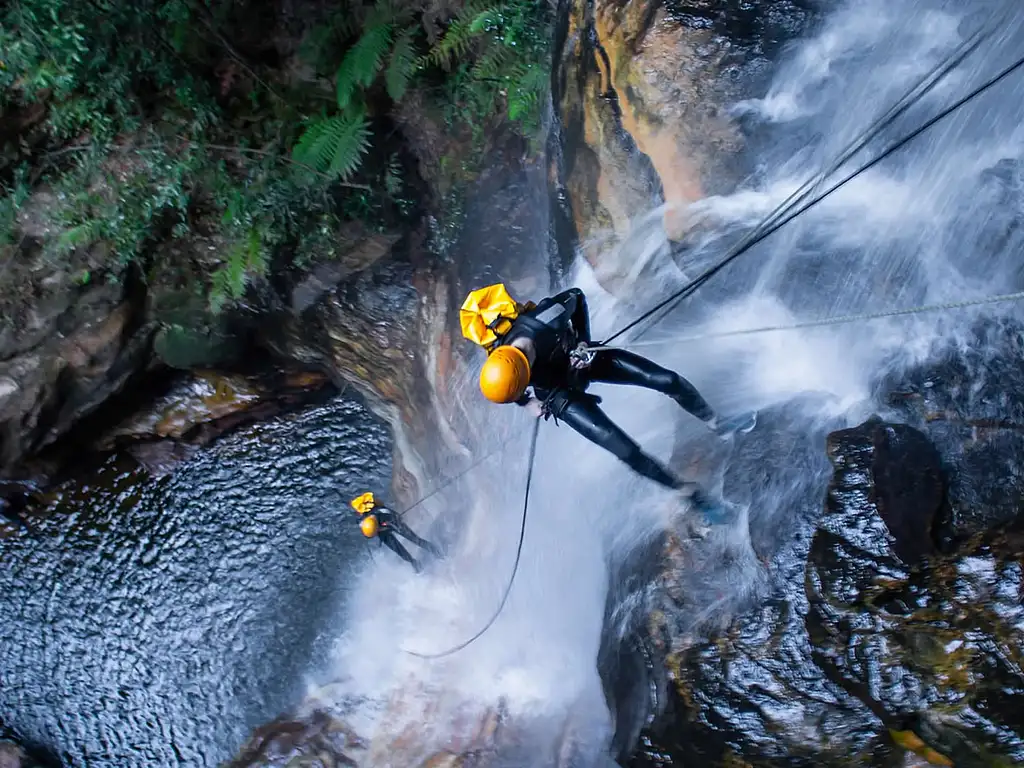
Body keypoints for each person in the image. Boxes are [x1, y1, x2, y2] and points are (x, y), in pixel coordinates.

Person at [459, 283, 756, 515]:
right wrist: (528, 403)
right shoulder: (502, 368)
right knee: (626, 451)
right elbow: (508, 391)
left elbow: (576, 296)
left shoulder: (544, 320)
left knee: (667, 380)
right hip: (559, 397)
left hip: (584, 359)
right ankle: (689, 493)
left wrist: (584, 341)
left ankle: (718, 423)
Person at [350, 492, 443, 573]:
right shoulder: (364, 523)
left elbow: (395, 515)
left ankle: (437, 552)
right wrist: (379, 530)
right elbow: (367, 531)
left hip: (393, 522)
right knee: (399, 550)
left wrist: (393, 519)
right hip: (382, 531)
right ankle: (415, 564)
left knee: (414, 539)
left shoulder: (383, 513)